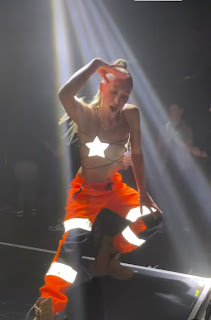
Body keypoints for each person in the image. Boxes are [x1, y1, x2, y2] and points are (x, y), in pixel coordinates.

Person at [27, 58, 163, 320]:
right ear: (102, 87)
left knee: (153, 218)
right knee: (73, 246)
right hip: (86, 191)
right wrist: (94, 64)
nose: (119, 100)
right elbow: (64, 93)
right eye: (114, 92)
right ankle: (48, 306)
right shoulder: (86, 115)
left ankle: (110, 254)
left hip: (114, 188)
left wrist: (144, 193)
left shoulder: (131, 114)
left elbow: (137, 154)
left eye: (125, 95)